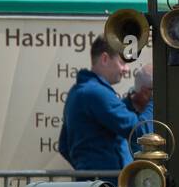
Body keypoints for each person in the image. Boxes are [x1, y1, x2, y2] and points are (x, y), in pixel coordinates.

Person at [59, 36, 154, 173]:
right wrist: (154, 98)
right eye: (122, 62)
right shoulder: (96, 93)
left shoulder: (78, 91)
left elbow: (64, 146)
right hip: (108, 186)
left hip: (94, 183)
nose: (126, 69)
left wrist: (86, 169)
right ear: (104, 59)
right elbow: (139, 132)